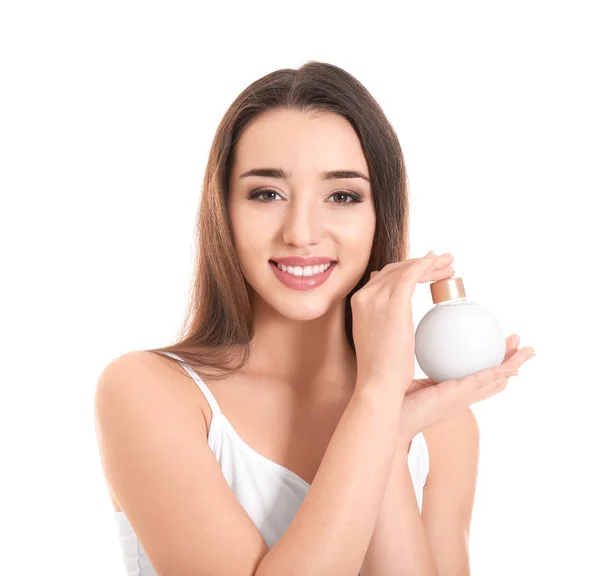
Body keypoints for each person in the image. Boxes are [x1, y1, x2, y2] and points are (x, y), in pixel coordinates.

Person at [94, 61, 535, 576]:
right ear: (224, 211)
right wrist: (375, 400)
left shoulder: (444, 428)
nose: (302, 232)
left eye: (342, 195)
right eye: (267, 193)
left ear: (379, 214)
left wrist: (390, 439)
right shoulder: (148, 391)